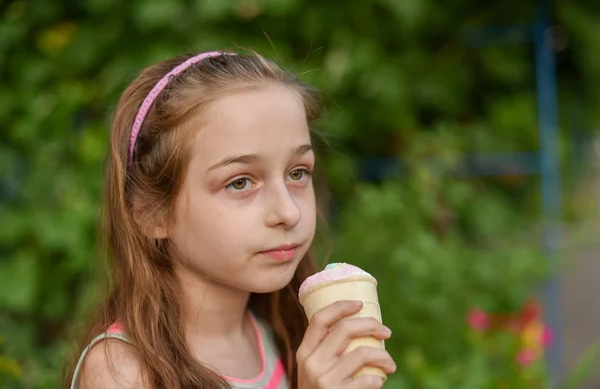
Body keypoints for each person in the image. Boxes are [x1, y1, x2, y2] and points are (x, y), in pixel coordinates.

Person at [66, 50, 396, 389]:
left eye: (297, 173)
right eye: (240, 182)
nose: (288, 212)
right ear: (152, 213)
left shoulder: (284, 335)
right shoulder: (124, 372)